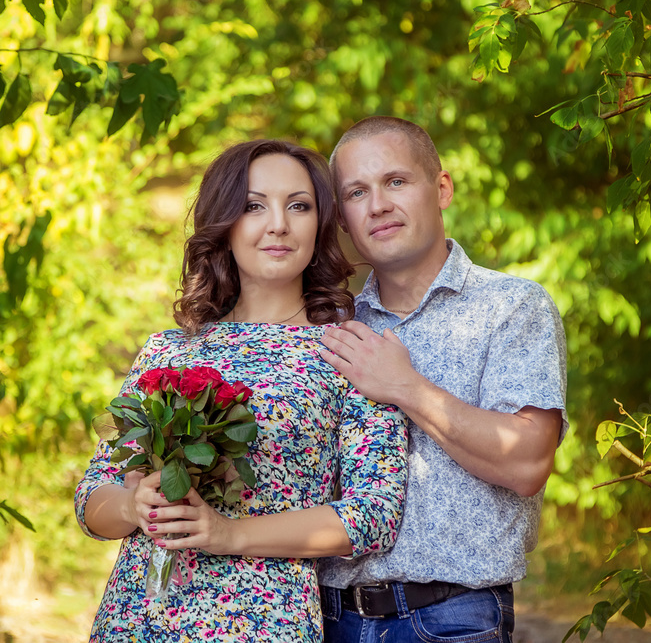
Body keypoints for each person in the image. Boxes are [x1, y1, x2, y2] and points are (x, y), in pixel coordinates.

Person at [74, 139, 408, 643]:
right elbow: (91, 496)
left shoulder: (349, 351)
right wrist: (131, 505)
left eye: (299, 206)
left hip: (263, 620)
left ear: (319, 227)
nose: (278, 224)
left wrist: (229, 535)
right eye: (254, 206)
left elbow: (373, 514)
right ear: (224, 224)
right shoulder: (168, 352)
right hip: (138, 619)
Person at [317, 116, 568, 642]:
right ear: (342, 217)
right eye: (357, 193)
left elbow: (527, 462)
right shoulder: (332, 328)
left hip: (452, 619)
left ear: (442, 189)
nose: (378, 205)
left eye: (396, 182)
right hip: (329, 618)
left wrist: (403, 386)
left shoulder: (511, 306)